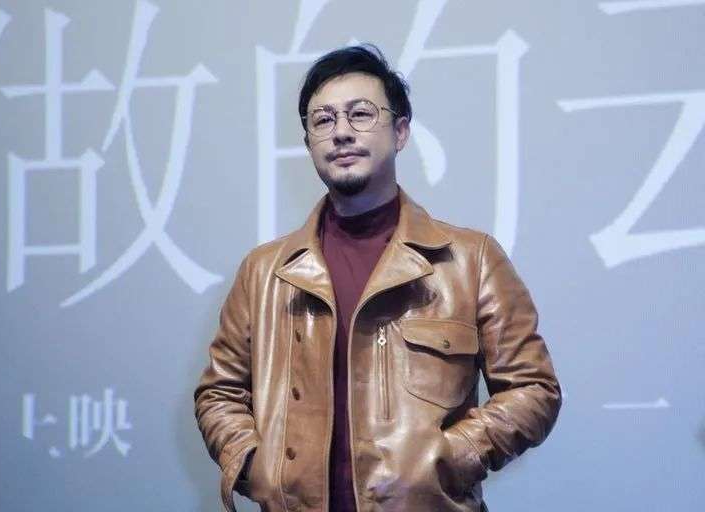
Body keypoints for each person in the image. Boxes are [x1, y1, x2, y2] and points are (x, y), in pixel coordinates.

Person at [194, 44, 561, 512]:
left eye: (360, 114)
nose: (341, 132)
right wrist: (256, 465)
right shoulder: (264, 271)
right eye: (323, 120)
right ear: (308, 143)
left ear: (400, 131)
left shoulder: (469, 259)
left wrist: (446, 459)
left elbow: (533, 388)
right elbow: (218, 392)